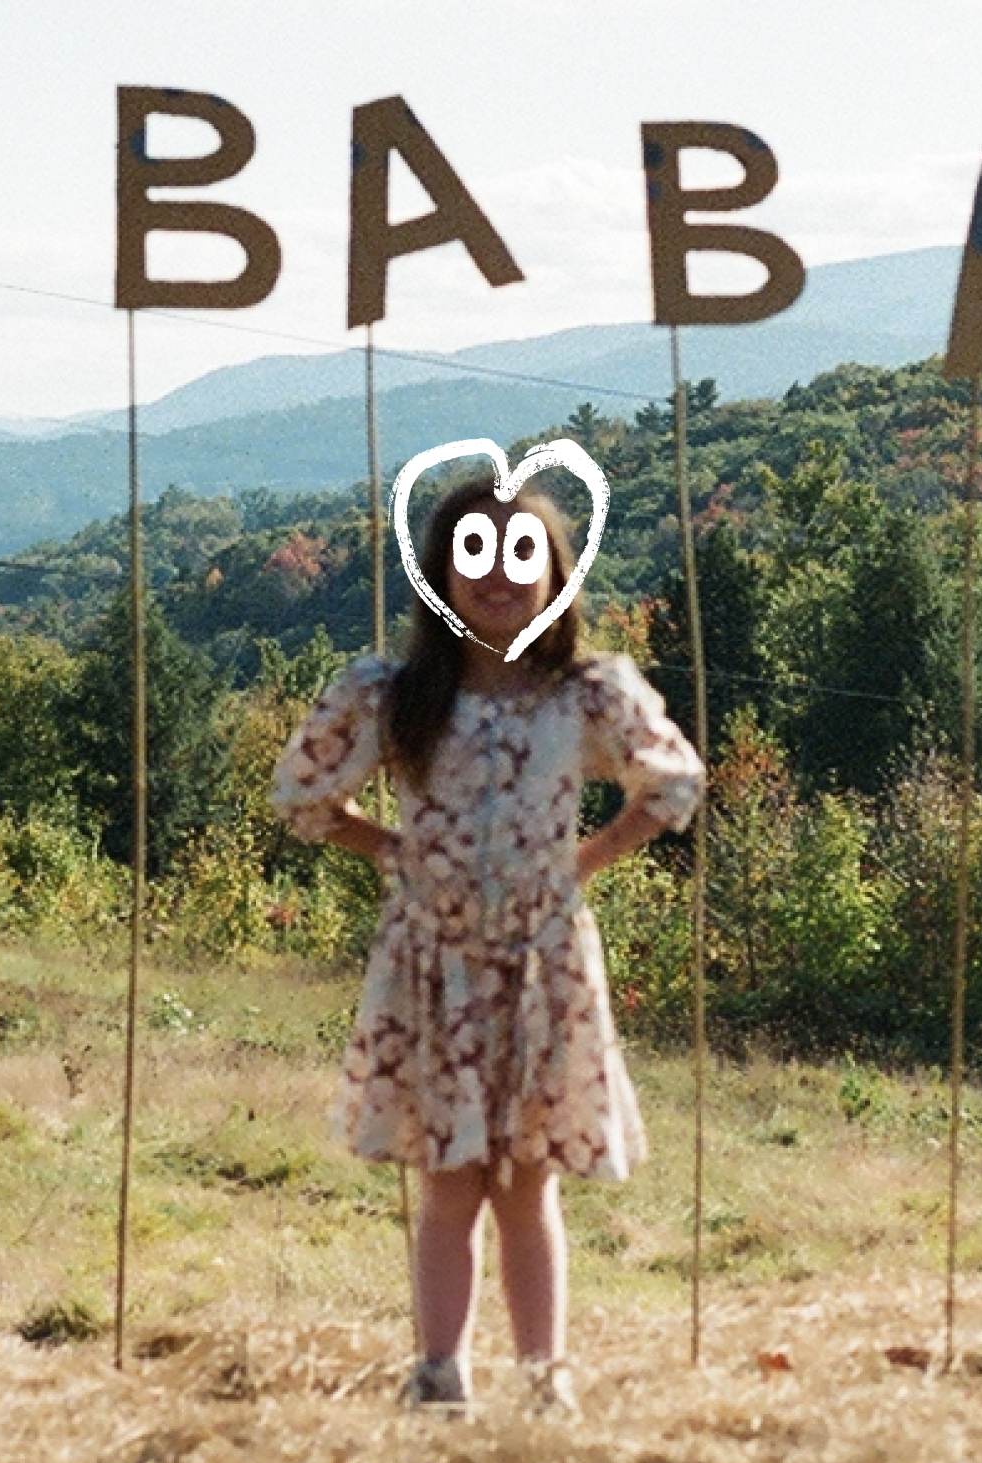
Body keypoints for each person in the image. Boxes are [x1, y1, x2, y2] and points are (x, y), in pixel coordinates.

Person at [270, 475, 702, 1415]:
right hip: (437, 963)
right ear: (442, 573)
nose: (498, 576)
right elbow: (303, 797)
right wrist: (394, 849)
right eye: (475, 554)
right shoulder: (396, 694)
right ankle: (441, 1378)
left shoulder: (584, 693)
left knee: (528, 1188)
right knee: (452, 1183)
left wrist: (580, 862)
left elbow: (669, 784)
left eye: (521, 555)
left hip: (544, 965)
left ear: (554, 573)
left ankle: (546, 1381)